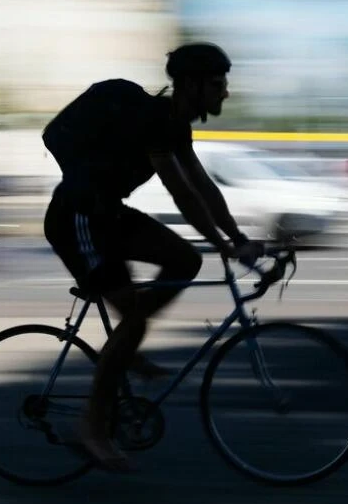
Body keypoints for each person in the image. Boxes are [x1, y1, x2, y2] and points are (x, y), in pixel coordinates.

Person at [42, 42, 264, 472]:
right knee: (137, 321)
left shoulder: (175, 126)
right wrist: (224, 245)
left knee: (185, 260)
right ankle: (92, 426)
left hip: (109, 215)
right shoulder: (152, 120)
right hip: (78, 220)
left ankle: (126, 347)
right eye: (218, 85)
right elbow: (182, 194)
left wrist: (236, 236)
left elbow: (202, 186)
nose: (225, 93)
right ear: (193, 85)